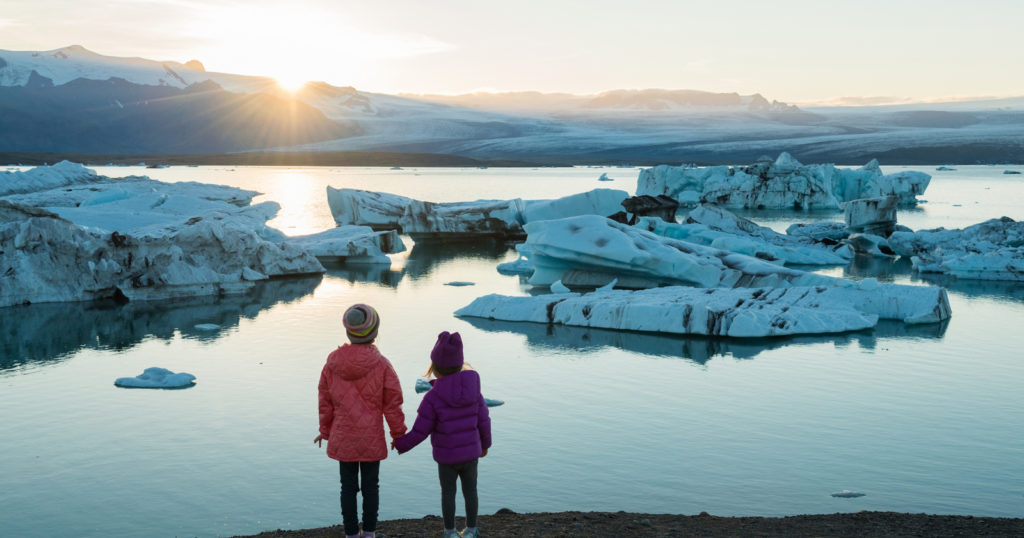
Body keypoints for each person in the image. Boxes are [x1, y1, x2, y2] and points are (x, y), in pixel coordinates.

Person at [315, 304, 406, 538]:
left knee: (347, 488)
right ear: (375, 333)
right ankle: (369, 533)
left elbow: (325, 400)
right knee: (370, 487)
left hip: (343, 436)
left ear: (348, 332)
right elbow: (392, 402)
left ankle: (351, 533)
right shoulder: (383, 364)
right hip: (371, 438)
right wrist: (398, 433)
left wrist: (325, 431)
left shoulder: (331, 364)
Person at [394, 331, 492, 538]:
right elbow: (484, 420)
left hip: (447, 458)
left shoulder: (433, 397)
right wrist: (485, 445)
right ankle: (472, 530)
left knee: (448, 493)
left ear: (435, 368)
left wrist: (402, 443)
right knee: (470, 491)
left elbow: (420, 431)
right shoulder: (475, 391)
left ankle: (450, 532)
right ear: (460, 363)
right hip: (471, 454)